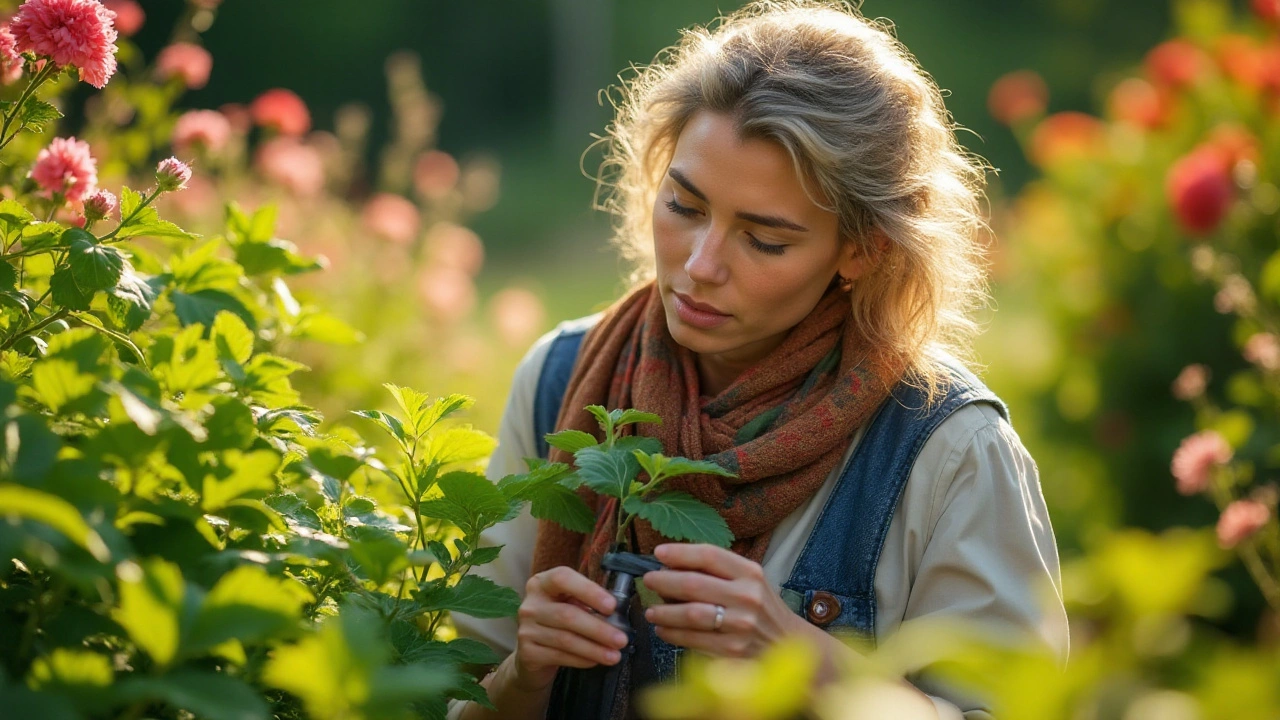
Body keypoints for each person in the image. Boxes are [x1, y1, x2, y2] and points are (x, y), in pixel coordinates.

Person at [450, 1, 1069, 718]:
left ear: (862, 251)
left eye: (764, 240)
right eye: (684, 206)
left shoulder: (950, 450)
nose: (702, 264)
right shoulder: (558, 381)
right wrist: (524, 676)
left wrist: (805, 661)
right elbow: (454, 687)